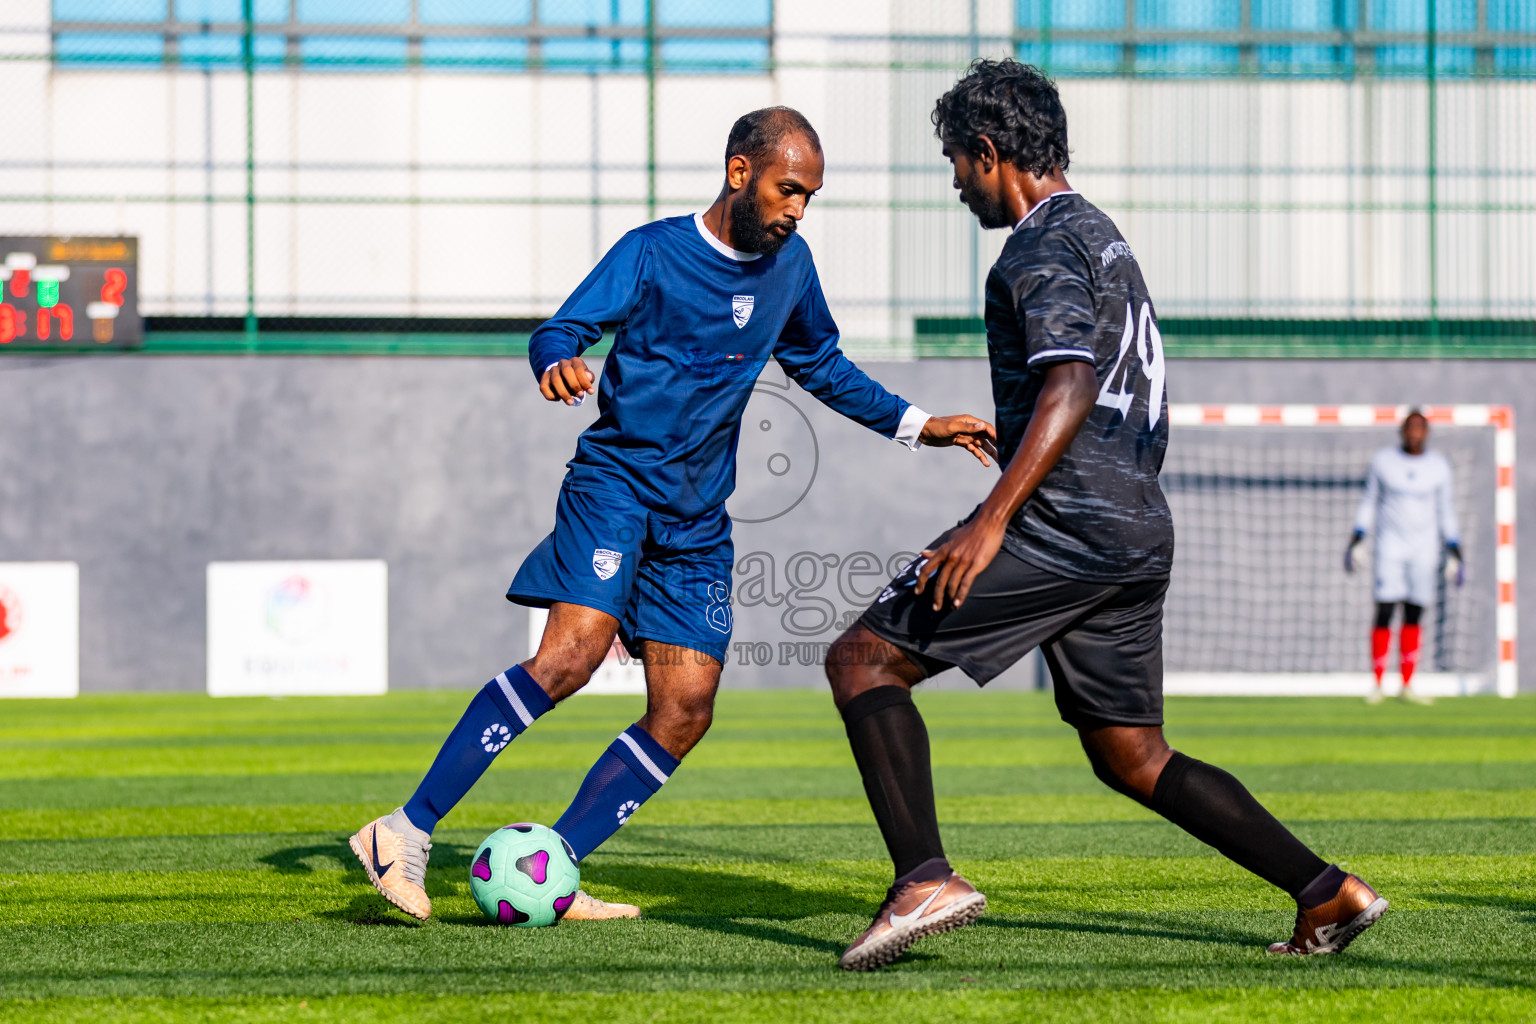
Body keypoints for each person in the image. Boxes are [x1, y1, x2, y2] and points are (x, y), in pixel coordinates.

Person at [348, 106, 997, 922]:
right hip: (616, 488)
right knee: (568, 660)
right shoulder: (652, 252)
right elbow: (563, 328)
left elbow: (821, 364)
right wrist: (559, 359)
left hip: (696, 524)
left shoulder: (791, 268)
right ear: (739, 174)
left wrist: (918, 425)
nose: (798, 210)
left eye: (810, 197)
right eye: (789, 190)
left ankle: (556, 869)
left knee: (685, 708)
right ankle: (402, 831)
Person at [822, 59, 1389, 972]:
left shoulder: (1037, 246)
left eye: (956, 165)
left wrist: (994, 518)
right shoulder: (1103, 236)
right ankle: (1325, 889)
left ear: (989, 151)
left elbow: (1074, 378)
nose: (956, 185)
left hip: (1063, 526)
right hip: (1133, 529)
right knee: (1131, 754)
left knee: (861, 659)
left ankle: (923, 878)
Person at [1346, 410, 1462, 705]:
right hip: (1390, 546)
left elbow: (1445, 509)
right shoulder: (1384, 462)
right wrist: (1357, 539)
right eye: (1409, 427)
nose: (1414, 433)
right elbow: (1369, 501)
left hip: (1423, 549)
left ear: (1426, 432)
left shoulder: (1438, 466)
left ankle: (1408, 683)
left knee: (1414, 611)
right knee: (1384, 608)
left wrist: (1455, 548)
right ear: (1402, 431)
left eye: (1419, 428)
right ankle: (1378, 682)